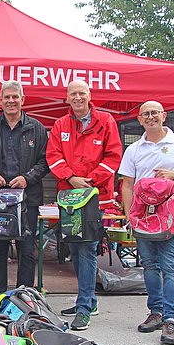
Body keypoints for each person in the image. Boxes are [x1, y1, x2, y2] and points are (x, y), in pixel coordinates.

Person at [46, 80, 122, 330]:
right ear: (67, 98)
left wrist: (91, 180)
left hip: (94, 196)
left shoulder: (106, 121)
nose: (77, 98)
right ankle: (89, 300)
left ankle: (83, 307)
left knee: (87, 247)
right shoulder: (60, 124)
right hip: (68, 197)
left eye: (82, 93)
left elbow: (114, 156)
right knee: (74, 249)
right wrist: (71, 178)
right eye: (73, 94)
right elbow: (53, 156)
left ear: (89, 96)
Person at [119, 101, 174, 345]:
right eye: (145, 114)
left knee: (170, 267)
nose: (150, 117)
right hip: (143, 219)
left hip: (169, 219)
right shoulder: (134, 149)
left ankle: (171, 320)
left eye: (154, 113)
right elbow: (126, 184)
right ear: (139, 120)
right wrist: (129, 215)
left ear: (164, 116)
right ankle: (156, 313)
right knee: (149, 266)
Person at [0, 80, 49, 294]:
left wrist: (28, 178)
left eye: (15, 97)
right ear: (0, 101)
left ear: (23, 100)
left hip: (28, 199)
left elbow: (46, 161)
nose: (11, 101)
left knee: (26, 251)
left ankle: (24, 297)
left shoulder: (36, 128)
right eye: (6, 97)